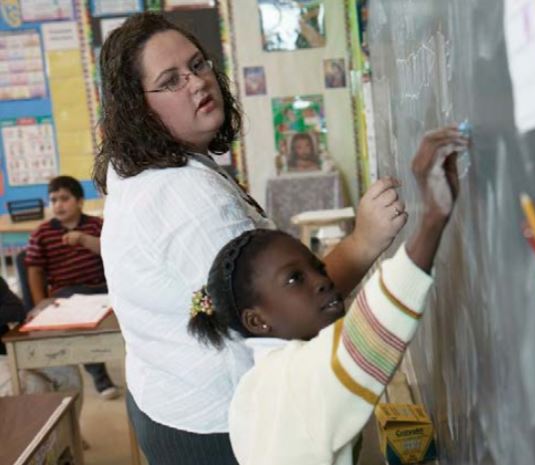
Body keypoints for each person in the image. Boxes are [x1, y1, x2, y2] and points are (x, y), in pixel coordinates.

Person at [94, 12, 406, 464]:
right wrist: (364, 241)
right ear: (138, 108)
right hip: (220, 427)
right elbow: (282, 310)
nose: (197, 83)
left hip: (166, 397)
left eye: (198, 64)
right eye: (171, 80)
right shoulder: (190, 201)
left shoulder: (134, 165)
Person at [187, 126, 467, 464]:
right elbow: (366, 334)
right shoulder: (296, 379)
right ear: (258, 320)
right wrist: (433, 220)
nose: (322, 281)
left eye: (318, 268)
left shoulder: (255, 386)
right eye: (294, 279)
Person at [24, 175, 120, 400]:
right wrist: (40, 303)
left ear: (79, 201)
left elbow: (113, 252)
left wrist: (85, 239)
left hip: (102, 288)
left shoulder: (96, 226)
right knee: (81, 327)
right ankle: (99, 375)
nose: (58, 204)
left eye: (64, 198)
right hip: (66, 293)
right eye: (53, 199)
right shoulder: (42, 233)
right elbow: (34, 271)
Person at [0, 276, 83, 409]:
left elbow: (16, 309)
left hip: (8, 351)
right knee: (34, 386)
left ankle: (69, 428)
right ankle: (39, 429)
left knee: (68, 372)